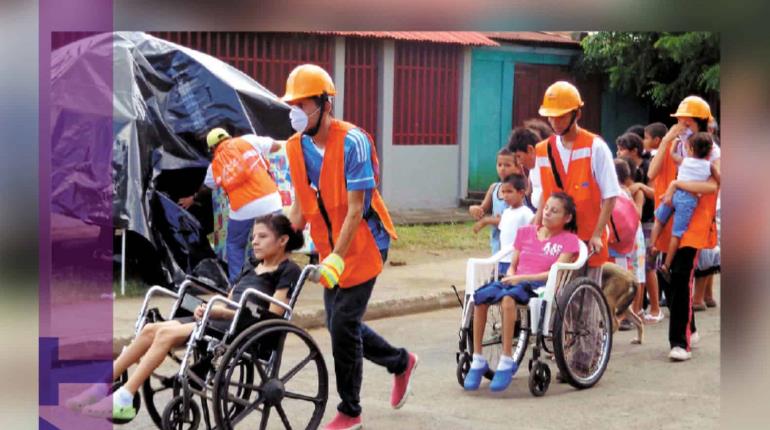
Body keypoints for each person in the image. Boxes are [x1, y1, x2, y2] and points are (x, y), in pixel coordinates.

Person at [281, 64, 417, 430]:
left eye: (303, 103)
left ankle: (350, 411)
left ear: (325, 104)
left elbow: (356, 208)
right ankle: (400, 362)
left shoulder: (354, 141)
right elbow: (298, 206)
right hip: (330, 246)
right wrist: (277, 240)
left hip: (365, 243)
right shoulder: (294, 147)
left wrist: (338, 258)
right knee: (340, 322)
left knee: (342, 323)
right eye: (291, 104)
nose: (295, 112)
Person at [67, 213, 304, 420]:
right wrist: (207, 307)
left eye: (262, 237)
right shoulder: (251, 265)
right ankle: (101, 386)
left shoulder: (288, 270)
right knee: (151, 329)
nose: (254, 241)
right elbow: (231, 297)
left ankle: (125, 397)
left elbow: (272, 317)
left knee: (165, 334)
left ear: (282, 241)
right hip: (221, 319)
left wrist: (221, 310)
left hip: (244, 329)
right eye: (253, 236)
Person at [464, 192, 580, 392]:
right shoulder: (525, 232)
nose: (547, 213)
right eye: (546, 209)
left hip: (539, 286)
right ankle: (478, 358)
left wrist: (519, 279)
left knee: (508, 300)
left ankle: (507, 359)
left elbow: (554, 272)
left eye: (555, 211)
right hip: (514, 281)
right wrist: (511, 275)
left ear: (567, 217)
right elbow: (513, 264)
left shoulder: (569, 240)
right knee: (480, 298)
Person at [647, 95, 720, 361]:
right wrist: (667, 140)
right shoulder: (675, 146)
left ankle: (679, 343)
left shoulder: (709, 150)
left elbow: (713, 186)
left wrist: (679, 185)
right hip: (667, 217)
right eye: (679, 121)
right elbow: (652, 174)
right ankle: (689, 326)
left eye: (687, 122)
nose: (682, 126)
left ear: (700, 123)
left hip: (694, 223)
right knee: (667, 276)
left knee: (680, 275)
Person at [533, 81, 620, 275]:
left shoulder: (595, 147)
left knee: (586, 302)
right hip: (555, 241)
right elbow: (543, 195)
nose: (555, 122)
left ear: (577, 114)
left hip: (587, 242)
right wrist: (536, 227)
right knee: (550, 299)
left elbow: (611, 195)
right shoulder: (542, 150)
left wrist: (597, 235)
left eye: (561, 117)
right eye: (551, 117)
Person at [193, 127, 284, 283]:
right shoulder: (248, 140)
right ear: (228, 137)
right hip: (270, 199)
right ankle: (278, 278)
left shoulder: (214, 165)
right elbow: (277, 146)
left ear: (212, 148)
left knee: (235, 244)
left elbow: (207, 188)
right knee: (274, 239)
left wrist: (192, 198)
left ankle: (238, 284)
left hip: (243, 208)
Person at [650, 132, 715, 283]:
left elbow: (673, 154)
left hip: (674, 194)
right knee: (677, 234)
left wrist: (675, 143)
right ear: (710, 151)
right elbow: (717, 178)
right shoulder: (709, 166)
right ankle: (666, 265)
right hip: (689, 200)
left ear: (690, 149)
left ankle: (652, 245)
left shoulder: (685, 161)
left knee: (659, 220)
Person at [612, 158, 647, 329]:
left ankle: (633, 310)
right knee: (635, 274)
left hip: (626, 239)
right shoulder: (627, 191)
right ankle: (634, 310)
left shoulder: (618, 193)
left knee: (631, 275)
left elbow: (636, 214)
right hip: (631, 236)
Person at [469, 147, 522, 252]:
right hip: (496, 243)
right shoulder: (494, 188)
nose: (502, 168)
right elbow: (482, 209)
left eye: (507, 165)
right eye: (499, 165)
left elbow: (511, 221)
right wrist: (475, 209)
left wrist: (487, 220)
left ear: (518, 168)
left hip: (512, 246)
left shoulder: (519, 191)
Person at [496, 174, 535, 274]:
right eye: (503, 192)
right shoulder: (505, 212)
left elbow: (532, 235)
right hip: (502, 259)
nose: (505, 195)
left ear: (521, 193)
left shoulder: (526, 213)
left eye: (509, 191)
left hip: (516, 261)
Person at [507, 126, 542, 210]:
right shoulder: (532, 168)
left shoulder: (545, 165)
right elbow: (528, 191)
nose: (519, 162)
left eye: (519, 156)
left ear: (530, 149)